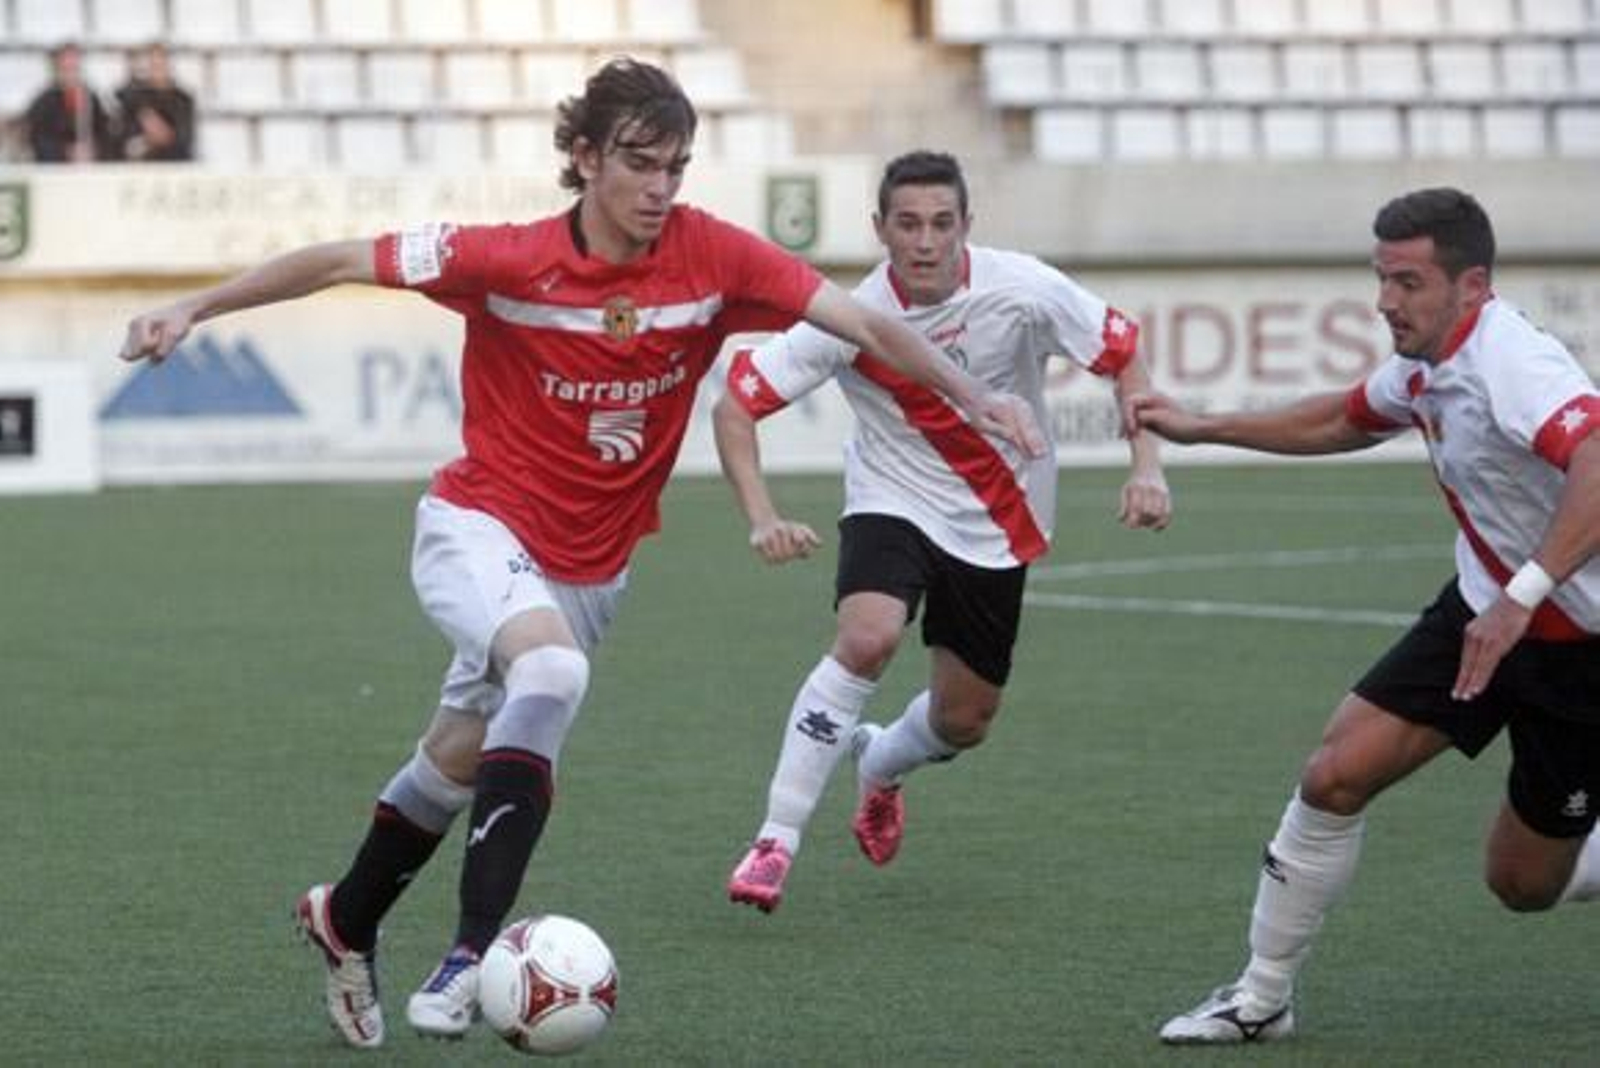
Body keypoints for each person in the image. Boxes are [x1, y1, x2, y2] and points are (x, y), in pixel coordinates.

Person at [119, 60, 1040, 1050]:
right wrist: (197, 307)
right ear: (585, 157)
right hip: (477, 526)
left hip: (592, 571)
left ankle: (345, 918)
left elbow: (859, 320)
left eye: (676, 168)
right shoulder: (505, 260)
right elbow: (342, 258)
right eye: (639, 164)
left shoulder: (712, 258)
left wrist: (970, 391)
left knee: (457, 759)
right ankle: (471, 958)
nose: (659, 189)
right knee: (549, 672)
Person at [1129, 187, 1600, 1044]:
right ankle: (1260, 999)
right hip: (1482, 611)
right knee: (1335, 774)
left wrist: (1525, 596)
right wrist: (1205, 428)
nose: (1387, 300)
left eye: (1409, 281)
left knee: (1523, 884)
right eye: (1382, 278)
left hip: (1577, 647)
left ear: (1472, 286)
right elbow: (1345, 419)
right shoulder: (1425, 362)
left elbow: (1598, 466)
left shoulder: (1513, 361)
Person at [719, 150, 1171, 914]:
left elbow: (1124, 355)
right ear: (879, 230)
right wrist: (761, 517)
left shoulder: (1022, 289)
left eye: (941, 224)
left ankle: (882, 766)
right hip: (890, 498)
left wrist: (1148, 466)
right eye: (907, 225)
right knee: (867, 637)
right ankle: (775, 839)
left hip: (1001, 518)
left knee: (965, 720)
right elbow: (734, 407)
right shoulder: (848, 315)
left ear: (967, 226)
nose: (925, 242)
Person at [24, 42, 119, 163]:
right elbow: (38, 140)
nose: (70, 75)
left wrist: (94, 149)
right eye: (65, 69)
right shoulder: (43, 102)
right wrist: (67, 152)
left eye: (74, 68)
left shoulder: (90, 98)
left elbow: (105, 133)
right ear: (56, 69)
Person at [115, 42, 196, 162]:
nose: (157, 68)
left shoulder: (183, 99)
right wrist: (145, 115)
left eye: (161, 63)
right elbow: (127, 141)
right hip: (143, 167)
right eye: (153, 64)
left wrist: (162, 134)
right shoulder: (136, 97)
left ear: (168, 65)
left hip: (174, 165)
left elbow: (184, 140)